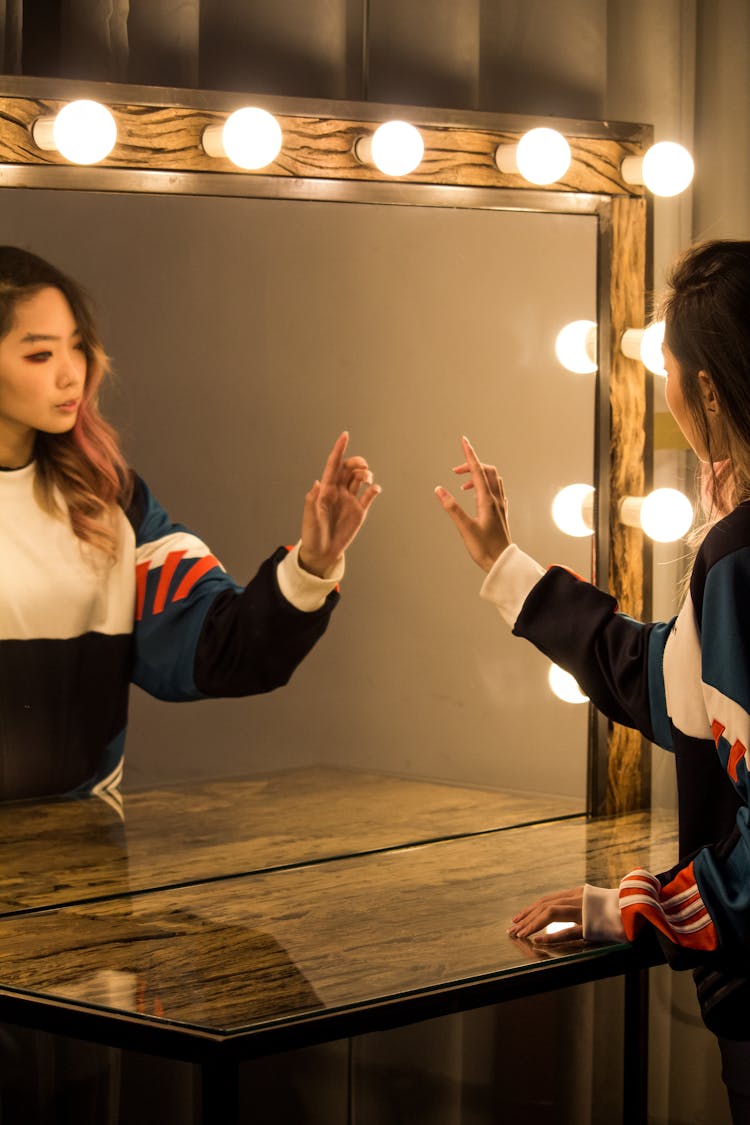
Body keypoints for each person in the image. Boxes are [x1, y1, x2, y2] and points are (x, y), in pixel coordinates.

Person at [435, 240, 750, 1122]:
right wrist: (507, 565)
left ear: (709, 389)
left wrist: (634, 911)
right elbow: (669, 686)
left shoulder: (741, 559)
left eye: (669, 370)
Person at [0, 244, 380, 805]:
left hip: (82, 845)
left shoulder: (111, 501)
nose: (70, 375)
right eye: (38, 356)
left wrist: (312, 566)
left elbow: (220, 649)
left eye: (77, 349)